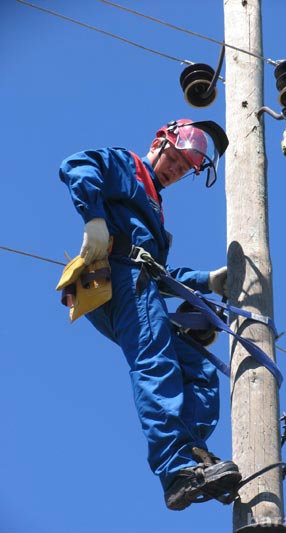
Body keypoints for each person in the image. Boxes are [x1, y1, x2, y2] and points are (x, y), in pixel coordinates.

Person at [58, 119, 242, 510]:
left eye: (184, 167)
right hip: (118, 278)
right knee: (155, 363)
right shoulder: (127, 167)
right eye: (175, 157)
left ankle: (191, 459)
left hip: (136, 282)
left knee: (198, 369)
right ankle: (175, 467)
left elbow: (158, 273)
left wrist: (207, 281)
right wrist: (93, 219)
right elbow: (78, 164)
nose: (175, 169)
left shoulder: (155, 211)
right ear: (160, 141)